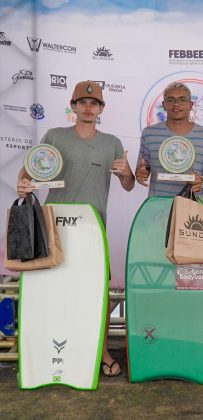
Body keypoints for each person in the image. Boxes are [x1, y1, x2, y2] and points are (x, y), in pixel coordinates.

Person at [16, 80, 135, 377]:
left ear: (101, 109)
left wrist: (126, 173)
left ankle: (102, 351)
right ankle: (48, 351)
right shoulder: (54, 136)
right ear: (73, 106)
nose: (88, 107)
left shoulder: (112, 143)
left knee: (99, 292)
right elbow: (28, 170)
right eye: (82, 102)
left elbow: (130, 184)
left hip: (92, 229)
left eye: (94, 103)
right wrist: (22, 184)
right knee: (52, 290)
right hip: (54, 226)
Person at [135, 81, 203, 197]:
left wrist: (202, 182)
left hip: (192, 208)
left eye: (182, 100)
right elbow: (143, 170)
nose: (176, 104)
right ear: (164, 105)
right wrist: (141, 173)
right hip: (158, 206)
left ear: (190, 105)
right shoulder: (149, 134)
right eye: (171, 100)